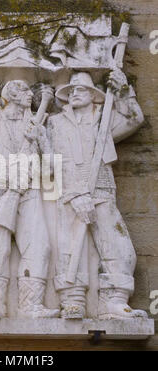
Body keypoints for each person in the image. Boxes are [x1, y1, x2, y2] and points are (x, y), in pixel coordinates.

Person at [47, 70, 148, 319]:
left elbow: (134, 119)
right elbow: (54, 160)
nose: (74, 94)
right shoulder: (55, 123)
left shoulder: (104, 118)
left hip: (101, 186)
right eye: (71, 91)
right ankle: (73, 300)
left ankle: (113, 301)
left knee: (117, 244)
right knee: (70, 246)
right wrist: (75, 193)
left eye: (80, 90)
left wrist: (124, 91)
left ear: (94, 95)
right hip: (70, 191)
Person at [0, 80, 59, 319]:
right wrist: (10, 174)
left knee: (39, 246)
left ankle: (30, 306)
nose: (30, 94)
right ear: (9, 94)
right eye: (24, 89)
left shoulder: (37, 124)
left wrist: (40, 138)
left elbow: (51, 166)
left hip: (29, 191)